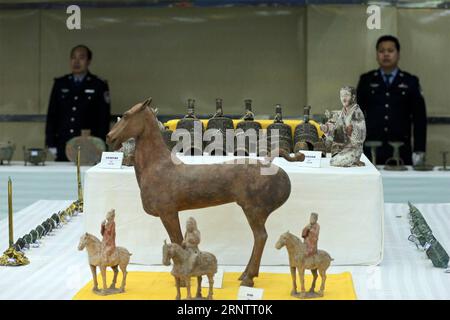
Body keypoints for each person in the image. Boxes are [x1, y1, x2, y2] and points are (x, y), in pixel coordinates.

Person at [357, 35, 427, 165]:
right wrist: (354, 147)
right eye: (382, 51)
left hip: (401, 149)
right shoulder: (366, 80)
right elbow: (357, 117)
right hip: (371, 148)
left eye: (390, 51)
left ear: (398, 54)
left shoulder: (410, 81)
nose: (386, 54)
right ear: (376, 55)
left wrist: (419, 150)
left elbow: (419, 119)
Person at [45, 45, 111, 161]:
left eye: (81, 58)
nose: (76, 61)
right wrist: (50, 143)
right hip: (63, 145)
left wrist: (101, 145)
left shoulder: (98, 84)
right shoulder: (60, 83)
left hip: (89, 146)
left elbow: (103, 119)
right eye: (73, 57)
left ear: (89, 61)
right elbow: (52, 115)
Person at [321, 86, 366, 167]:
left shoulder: (356, 113)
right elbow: (337, 133)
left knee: (334, 161)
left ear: (353, 97)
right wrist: (327, 130)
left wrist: (345, 131)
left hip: (353, 149)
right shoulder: (343, 112)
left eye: (346, 95)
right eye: (341, 96)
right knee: (332, 159)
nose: (343, 98)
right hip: (342, 148)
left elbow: (360, 138)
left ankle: (355, 160)